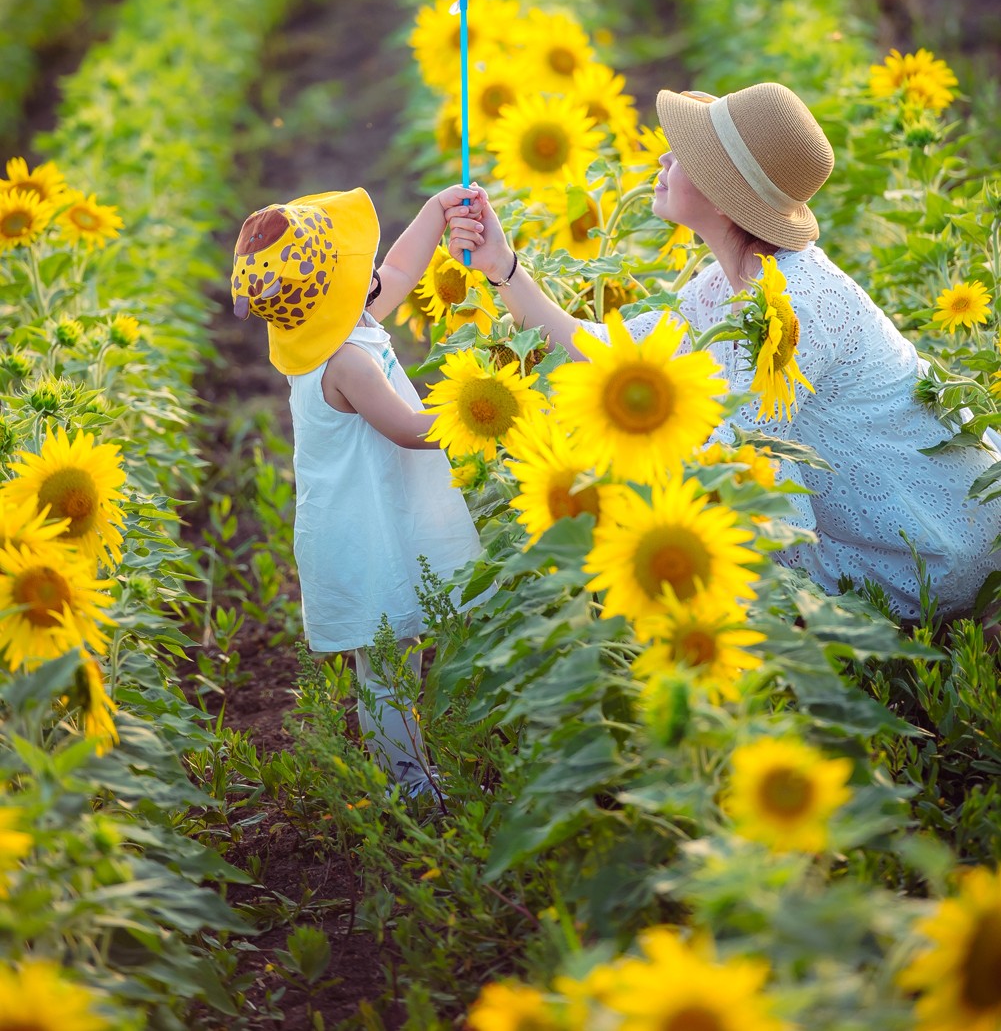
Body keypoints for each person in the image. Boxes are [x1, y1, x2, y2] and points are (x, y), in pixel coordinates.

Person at [446, 81, 1001, 624]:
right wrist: (503, 266)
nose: (663, 156)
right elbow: (609, 356)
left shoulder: (798, 307)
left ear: (723, 191)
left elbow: (736, 464)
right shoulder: (730, 285)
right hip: (884, 530)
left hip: (929, 551)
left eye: (685, 153)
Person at [230, 183, 487, 796]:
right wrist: (485, 414)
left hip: (373, 509)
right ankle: (408, 782)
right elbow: (405, 428)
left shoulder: (342, 324)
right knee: (388, 660)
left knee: (399, 645)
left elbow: (399, 267)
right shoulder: (344, 361)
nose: (370, 274)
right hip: (363, 525)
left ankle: (411, 768)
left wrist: (435, 209)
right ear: (338, 287)